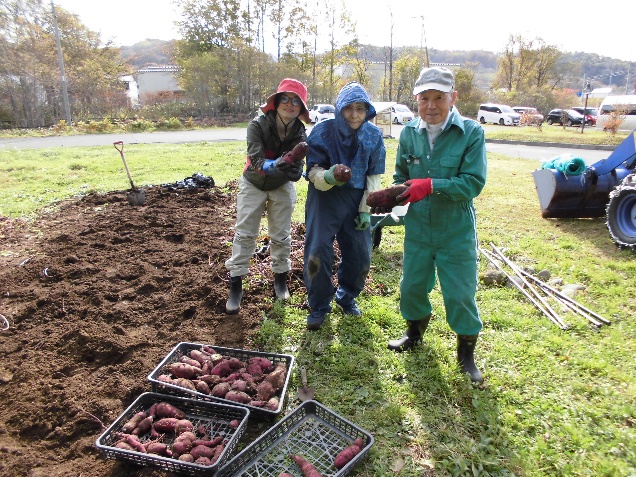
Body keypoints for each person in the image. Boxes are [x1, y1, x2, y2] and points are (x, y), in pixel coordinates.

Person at [373, 67, 487, 384]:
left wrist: (432, 185)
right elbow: (401, 176)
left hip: (455, 228)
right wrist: (394, 195)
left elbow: (473, 183)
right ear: (416, 100)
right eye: (425, 98)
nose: (432, 105)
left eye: (439, 97)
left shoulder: (471, 133)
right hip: (420, 226)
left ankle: (466, 354)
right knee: (411, 286)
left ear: (453, 97)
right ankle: (414, 333)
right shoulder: (409, 133)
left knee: (460, 293)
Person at [303, 82, 386, 330]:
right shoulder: (322, 131)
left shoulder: (374, 136)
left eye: (360, 109)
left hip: (357, 197)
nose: (354, 114)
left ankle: (347, 297)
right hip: (324, 198)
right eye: (348, 108)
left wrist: (365, 209)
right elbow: (313, 171)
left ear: (367, 111)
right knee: (317, 251)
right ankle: (319, 304)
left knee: (360, 254)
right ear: (339, 109)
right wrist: (330, 176)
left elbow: (374, 176)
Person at [225, 78, 310, 314]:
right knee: (245, 233)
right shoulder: (257, 125)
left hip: (281, 186)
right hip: (253, 182)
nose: (290, 105)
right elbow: (257, 159)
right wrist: (276, 164)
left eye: (296, 101)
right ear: (277, 101)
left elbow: (299, 164)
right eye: (286, 99)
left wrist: (295, 170)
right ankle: (236, 285)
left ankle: (280, 280)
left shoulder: (301, 132)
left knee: (281, 234)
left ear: (301, 108)